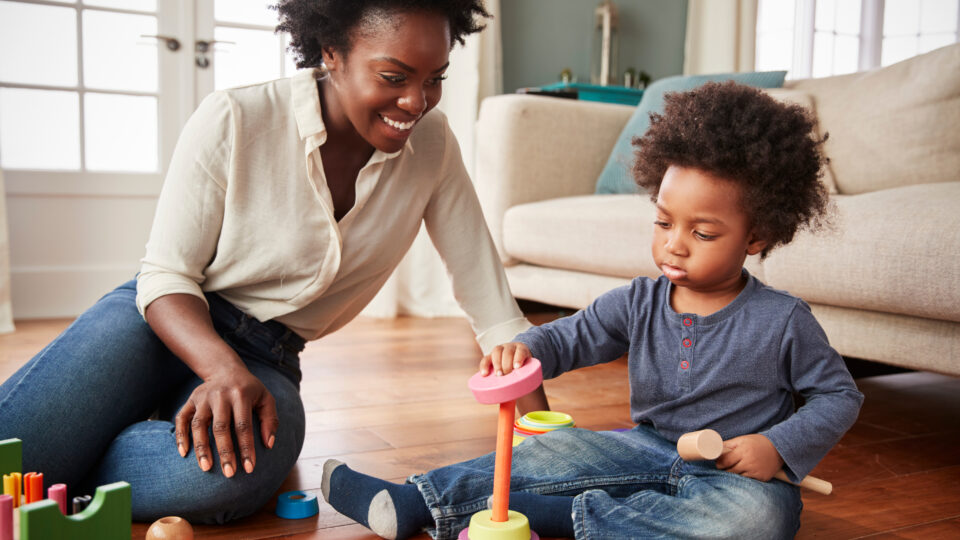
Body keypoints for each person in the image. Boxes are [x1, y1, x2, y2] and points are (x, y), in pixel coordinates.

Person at [0, 0, 547, 524]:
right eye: (393, 77)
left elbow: (497, 316)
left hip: (269, 358)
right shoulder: (236, 117)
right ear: (332, 51)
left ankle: (71, 462)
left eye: (435, 78)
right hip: (160, 325)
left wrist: (552, 448)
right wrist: (218, 368)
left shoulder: (433, 146)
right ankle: (87, 445)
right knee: (12, 454)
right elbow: (165, 275)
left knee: (227, 477)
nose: (416, 102)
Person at [320, 81, 866, 540]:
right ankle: (417, 501)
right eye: (663, 222)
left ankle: (563, 517)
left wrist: (778, 447)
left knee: (756, 520)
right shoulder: (640, 301)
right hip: (642, 448)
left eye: (701, 232)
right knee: (553, 454)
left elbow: (838, 395)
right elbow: (569, 338)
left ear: (758, 234)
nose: (675, 244)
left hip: (736, 477)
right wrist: (524, 347)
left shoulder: (784, 320)